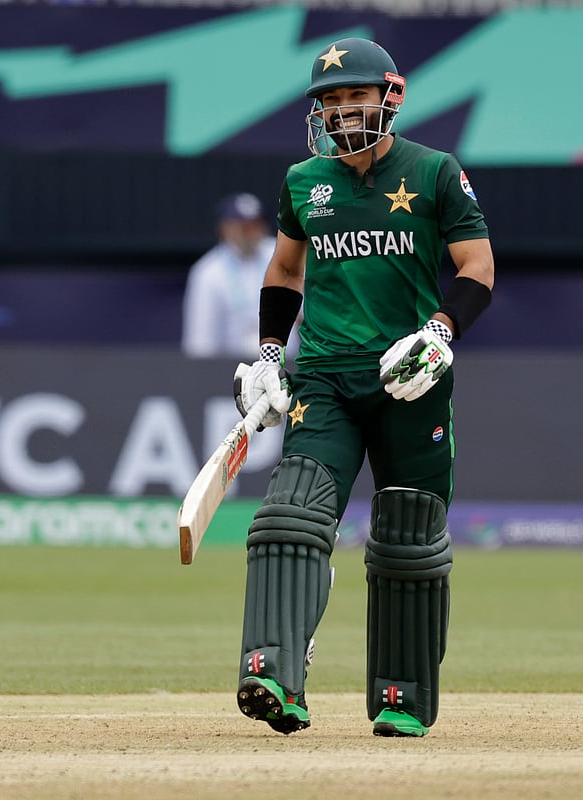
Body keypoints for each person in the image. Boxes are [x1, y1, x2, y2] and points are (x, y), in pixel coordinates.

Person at [231, 37, 495, 738]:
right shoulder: (303, 182)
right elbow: (285, 271)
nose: (343, 109)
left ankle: (401, 698)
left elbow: (477, 267)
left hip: (410, 377)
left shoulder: (434, 172)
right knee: (289, 517)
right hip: (324, 375)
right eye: (330, 99)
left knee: (408, 538)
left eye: (356, 94)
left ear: (390, 97)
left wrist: (439, 332)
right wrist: (269, 355)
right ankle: (274, 671)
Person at [181, 192, 281, 358]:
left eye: (254, 225)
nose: (249, 232)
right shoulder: (207, 272)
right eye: (242, 227)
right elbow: (201, 342)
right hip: (231, 366)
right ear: (224, 229)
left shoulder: (283, 255)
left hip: (286, 363)